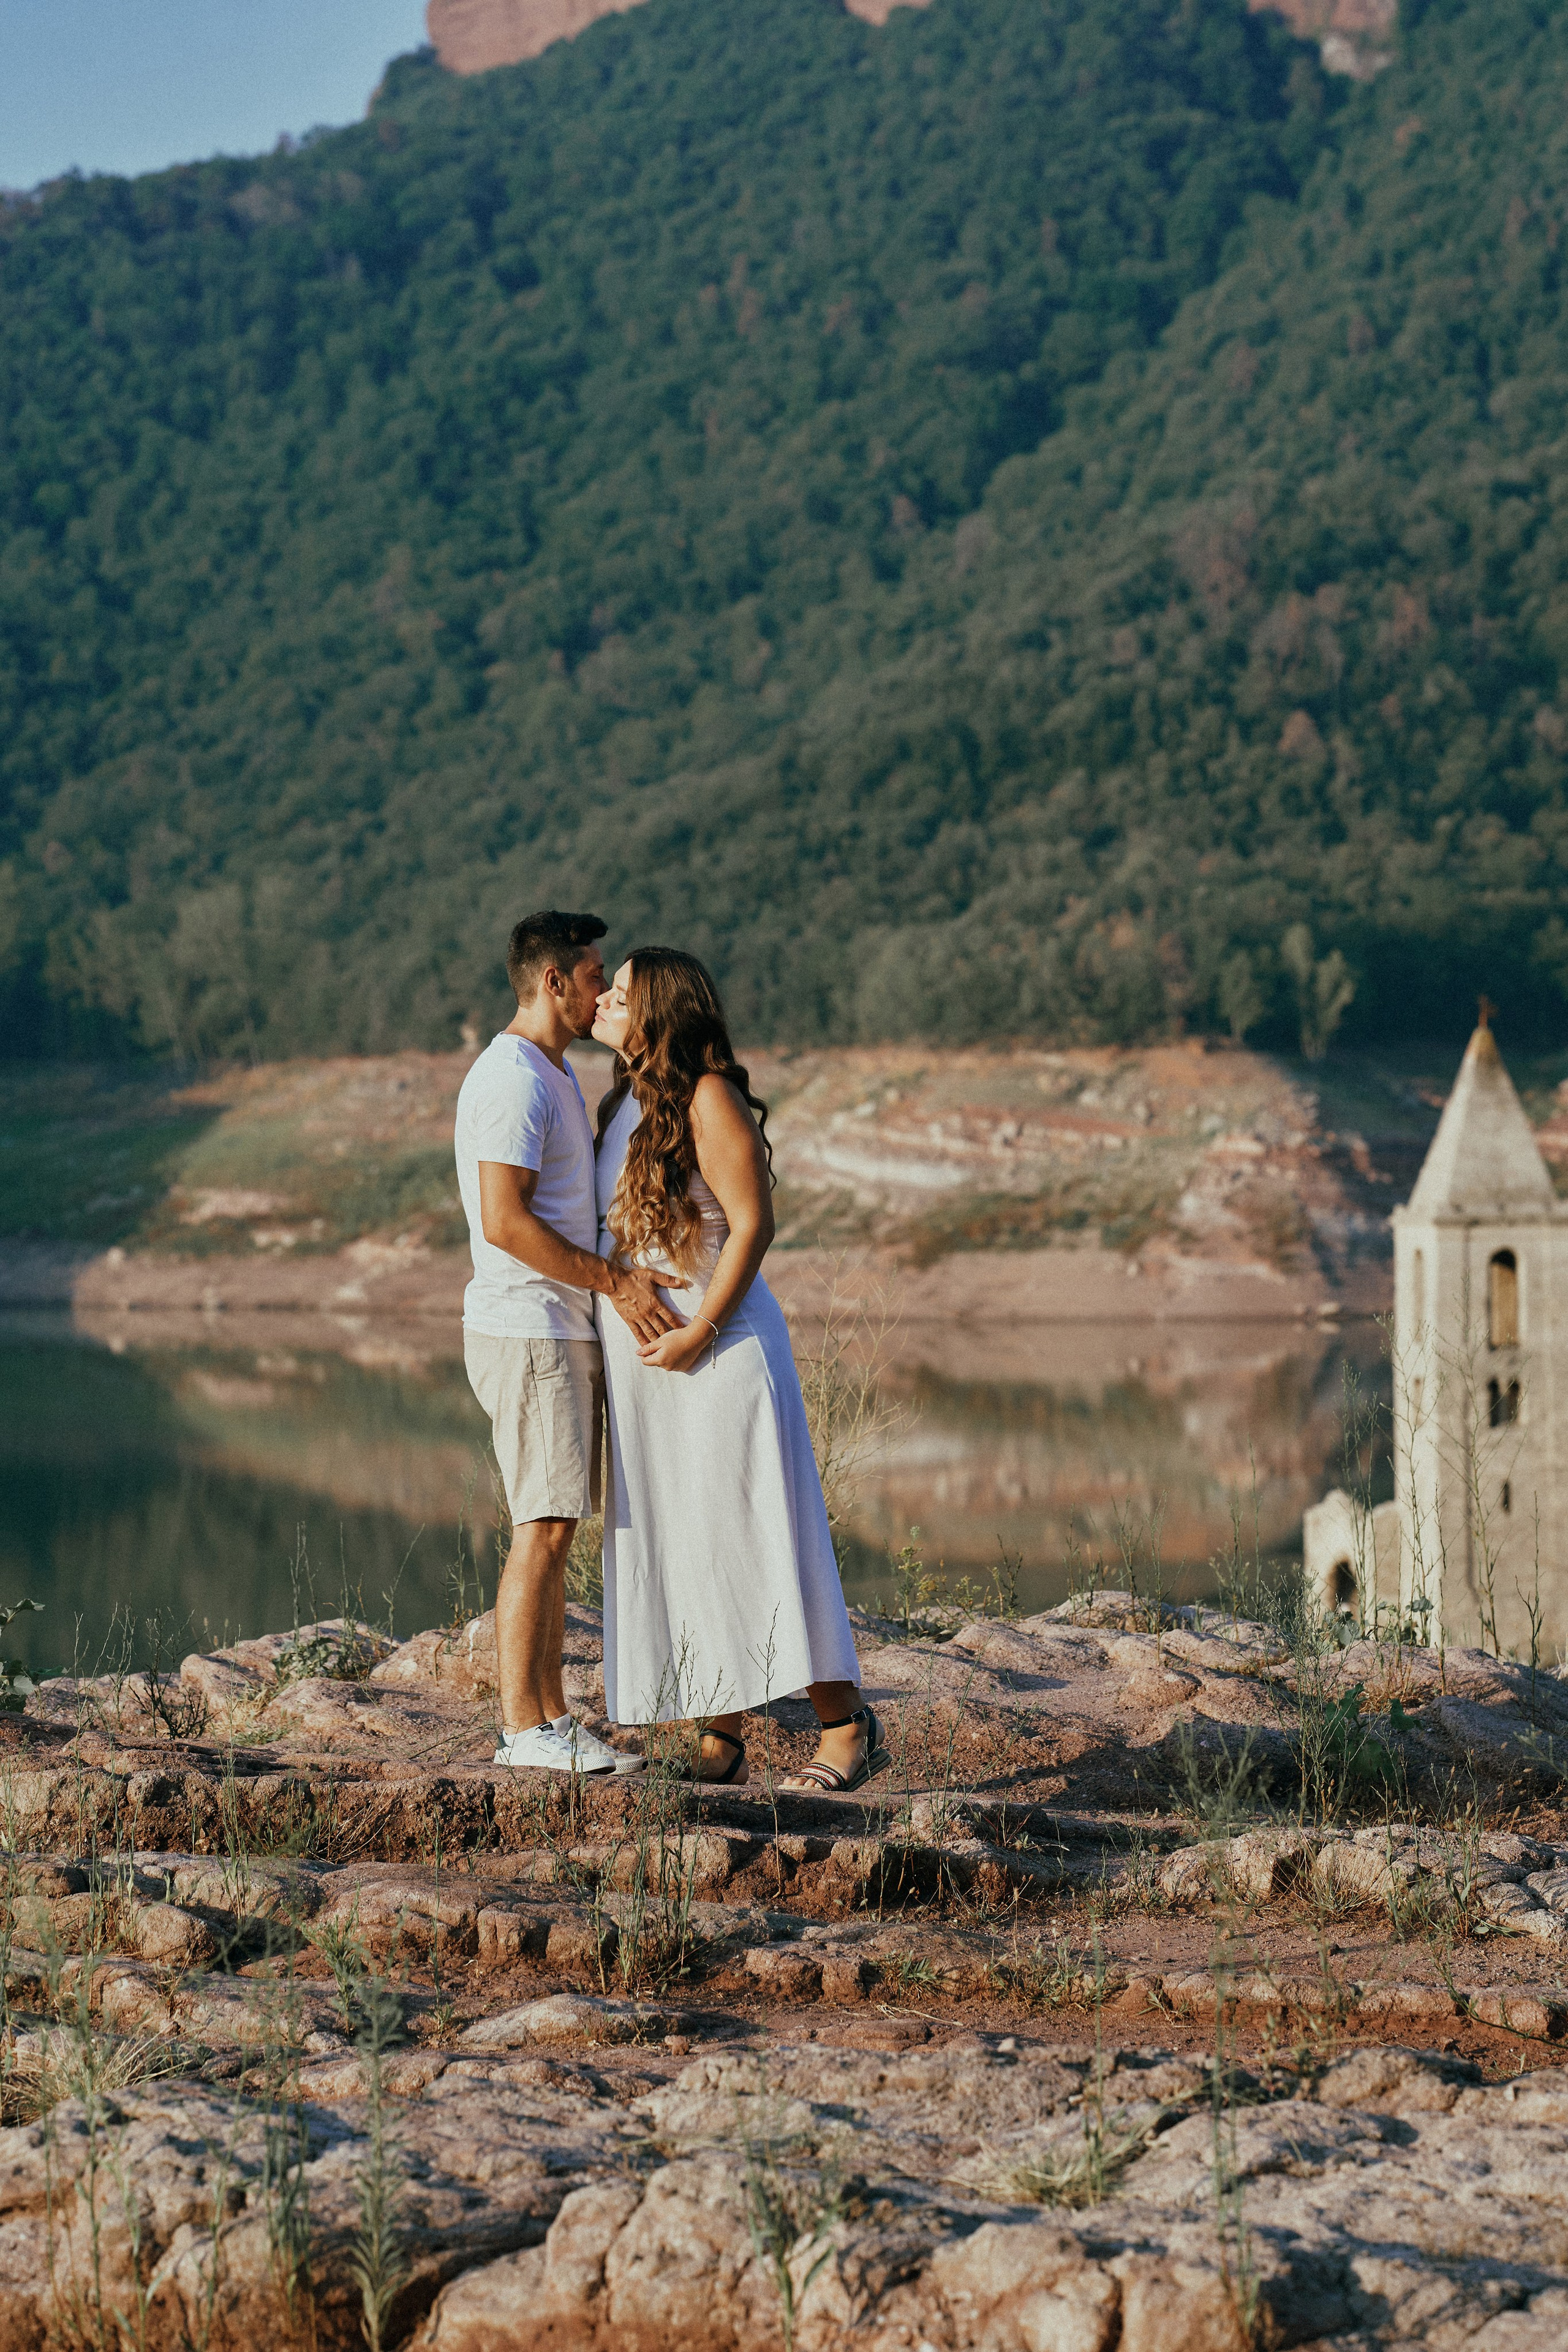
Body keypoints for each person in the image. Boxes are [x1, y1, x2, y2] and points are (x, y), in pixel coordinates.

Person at [591, 947, 886, 1791]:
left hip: (719, 1353)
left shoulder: (709, 1097)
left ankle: (844, 1726)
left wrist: (698, 1332)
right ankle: (719, 1741)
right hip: (657, 1367)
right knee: (690, 1540)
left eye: (621, 990)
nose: (605, 1000)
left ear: (659, 1011)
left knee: (759, 1535)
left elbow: (752, 1226)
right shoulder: (624, 1104)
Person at [454, 910, 677, 1776]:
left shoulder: (549, 1073)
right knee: (540, 1529)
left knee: (553, 1528)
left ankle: (549, 1718)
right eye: (593, 979)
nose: (602, 995)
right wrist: (616, 1282)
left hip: (555, 1331)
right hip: (530, 1329)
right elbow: (506, 1223)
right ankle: (524, 1730)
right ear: (553, 982)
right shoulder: (512, 1077)